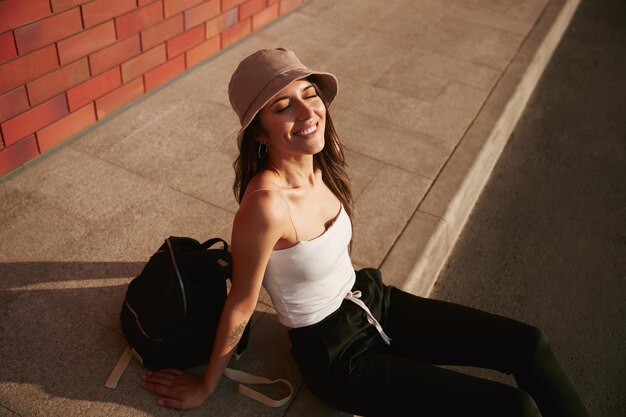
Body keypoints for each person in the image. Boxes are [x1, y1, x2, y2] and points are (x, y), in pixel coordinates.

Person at [141, 48, 591, 417]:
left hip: (372, 301)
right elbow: (241, 302)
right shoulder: (265, 206)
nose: (307, 111)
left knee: (528, 343)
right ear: (260, 133)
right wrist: (205, 386)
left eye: (309, 94)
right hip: (339, 357)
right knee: (515, 409)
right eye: (283, 107)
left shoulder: (322, 152)